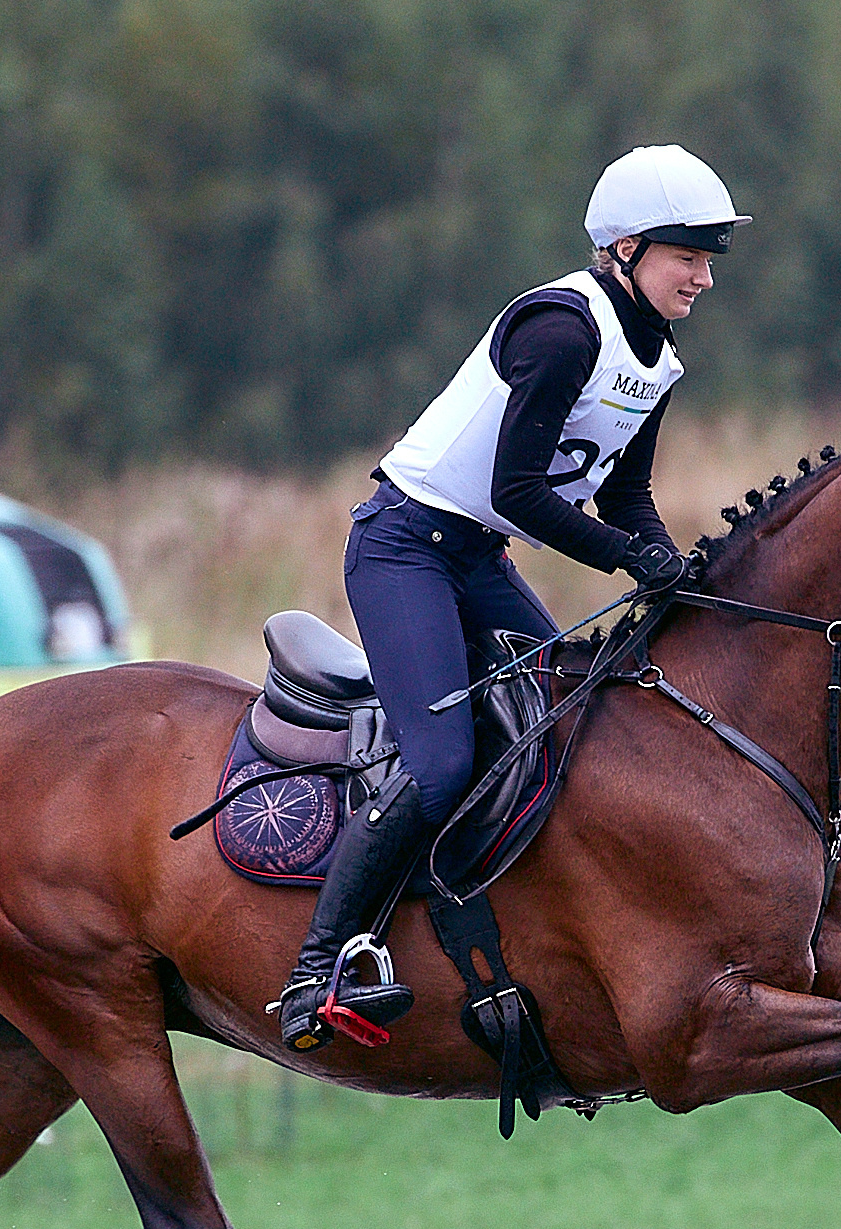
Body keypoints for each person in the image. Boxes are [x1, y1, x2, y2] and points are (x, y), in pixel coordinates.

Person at [274, 144, 751, 1051]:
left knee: (574, 721)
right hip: (404, 548)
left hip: (476, 558)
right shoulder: (563, 330)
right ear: (626, 249)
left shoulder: (658, 357)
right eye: (687, 255)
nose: (702, 276)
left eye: (708, 258)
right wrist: (627, 558)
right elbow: (519, 489)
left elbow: (622, 494)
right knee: (446, 763)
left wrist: (662, 555)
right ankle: (315, 972)